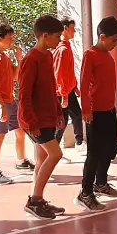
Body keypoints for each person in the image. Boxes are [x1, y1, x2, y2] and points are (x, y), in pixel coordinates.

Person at [17, 15, 68, 218]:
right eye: (57, 36)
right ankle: (35, 200)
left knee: (41, 158)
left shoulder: (47, 55)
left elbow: (50, 87)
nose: (59, 40)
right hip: (34, 119)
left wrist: (57, 111)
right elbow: (24, 94)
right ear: (45, 36)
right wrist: (30, 121)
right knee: (55, 154)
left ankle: (36, 198)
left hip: (46, 116)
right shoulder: (31, 59)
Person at [75, 16, 117, 211]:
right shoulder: (91, 55)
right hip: (95, 113)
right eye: (113, 40)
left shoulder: (107, 56)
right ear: (102, 37)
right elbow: (85, 83)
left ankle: (101, 183)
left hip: (109, 110)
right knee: (94, 153)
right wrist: (86, 109)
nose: (115, 45)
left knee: (110, 149)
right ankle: (85, 192)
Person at [0, 22, 32, 185]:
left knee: (20, 130)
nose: (12, 41)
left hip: (10, 100)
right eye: (9, 38)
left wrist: (19, 60)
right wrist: (1, 106)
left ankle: (21, 160)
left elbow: (15, 76)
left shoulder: (4, 56)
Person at [53, 18, 84, 151]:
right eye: (72, 28)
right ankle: (54, 148)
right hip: (62, 91)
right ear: (65, 29)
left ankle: (79, 143)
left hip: (68, 89)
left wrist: (75, 86)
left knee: (76, 115)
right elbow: (59, 73)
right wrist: (64, 94)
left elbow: (68, 70)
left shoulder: (67, 47)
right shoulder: (62, 50)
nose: (74, 31)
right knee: (62, 121)